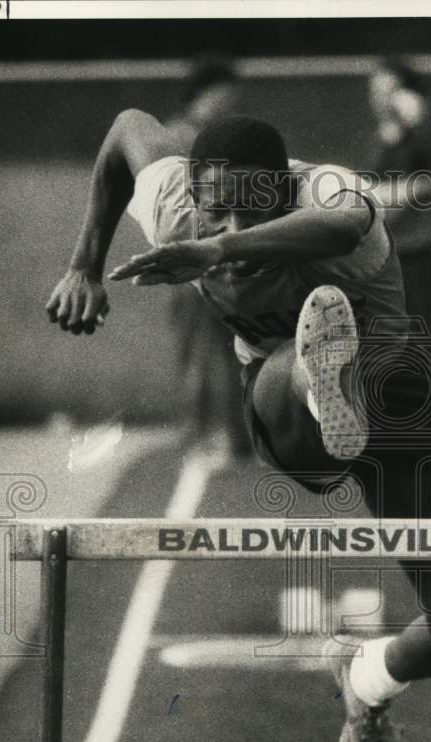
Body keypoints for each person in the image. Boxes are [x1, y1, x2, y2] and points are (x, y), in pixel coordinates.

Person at [46, 111, 431, 742]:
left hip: (398, 406)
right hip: (280, 403)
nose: (228, 228)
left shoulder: (328, 193)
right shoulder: (173, 199)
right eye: (215, 213)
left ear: (284, 191)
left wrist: (218, 252)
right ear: (192, 192)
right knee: (287, 360)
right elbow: (123, 131)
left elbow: (343, 225)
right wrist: (83, 265)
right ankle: (317, 379)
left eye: (247, 215)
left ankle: (366, 678)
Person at [164, 58, 251, 453]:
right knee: (196, 354)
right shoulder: (175, 138)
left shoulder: (228, 136)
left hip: (228, 259)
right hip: (190, 260)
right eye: (226, 95)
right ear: (207, 93)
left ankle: (240, 437)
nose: (232, 102)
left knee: (239, 350)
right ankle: (195, 436)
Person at [368, 59, 431, 337]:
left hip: (416, 259)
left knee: (421, 349)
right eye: (375, 92)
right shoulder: (376, 143)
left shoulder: (422, 143)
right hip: (379, 262)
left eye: (389, 91)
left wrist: (416, 121)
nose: (380, 101)